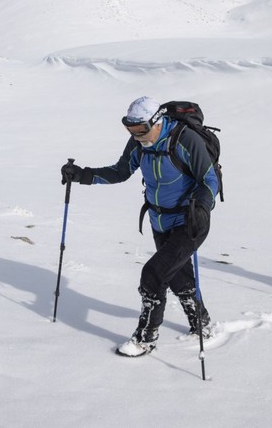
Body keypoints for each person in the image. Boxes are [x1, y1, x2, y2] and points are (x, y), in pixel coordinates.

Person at [61, 96, 220, 356]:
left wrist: (202, 207)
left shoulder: (183, 139)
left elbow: (209, 179)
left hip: (191, 221)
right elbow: (120, 172)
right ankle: (202, 323)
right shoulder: (138, 144)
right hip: (160, 221)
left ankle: (145, 339)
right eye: (131, 130)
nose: (137, 136)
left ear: (157, 121)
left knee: (153, 275)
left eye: (141, 130)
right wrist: (82, 175)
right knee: (179, 278)